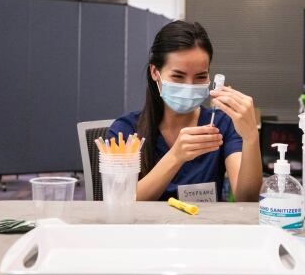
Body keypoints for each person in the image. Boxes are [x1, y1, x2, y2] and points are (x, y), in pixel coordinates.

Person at [107, 21, 262, 202]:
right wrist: (175, 156)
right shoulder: (125, 131)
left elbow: (247, 198)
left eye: (200, 76)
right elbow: (120, 202)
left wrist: (251, 137)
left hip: (204, 228)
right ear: (155, 72)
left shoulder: (221, 124)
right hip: (147, 230)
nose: (189, 86)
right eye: (178, 76)